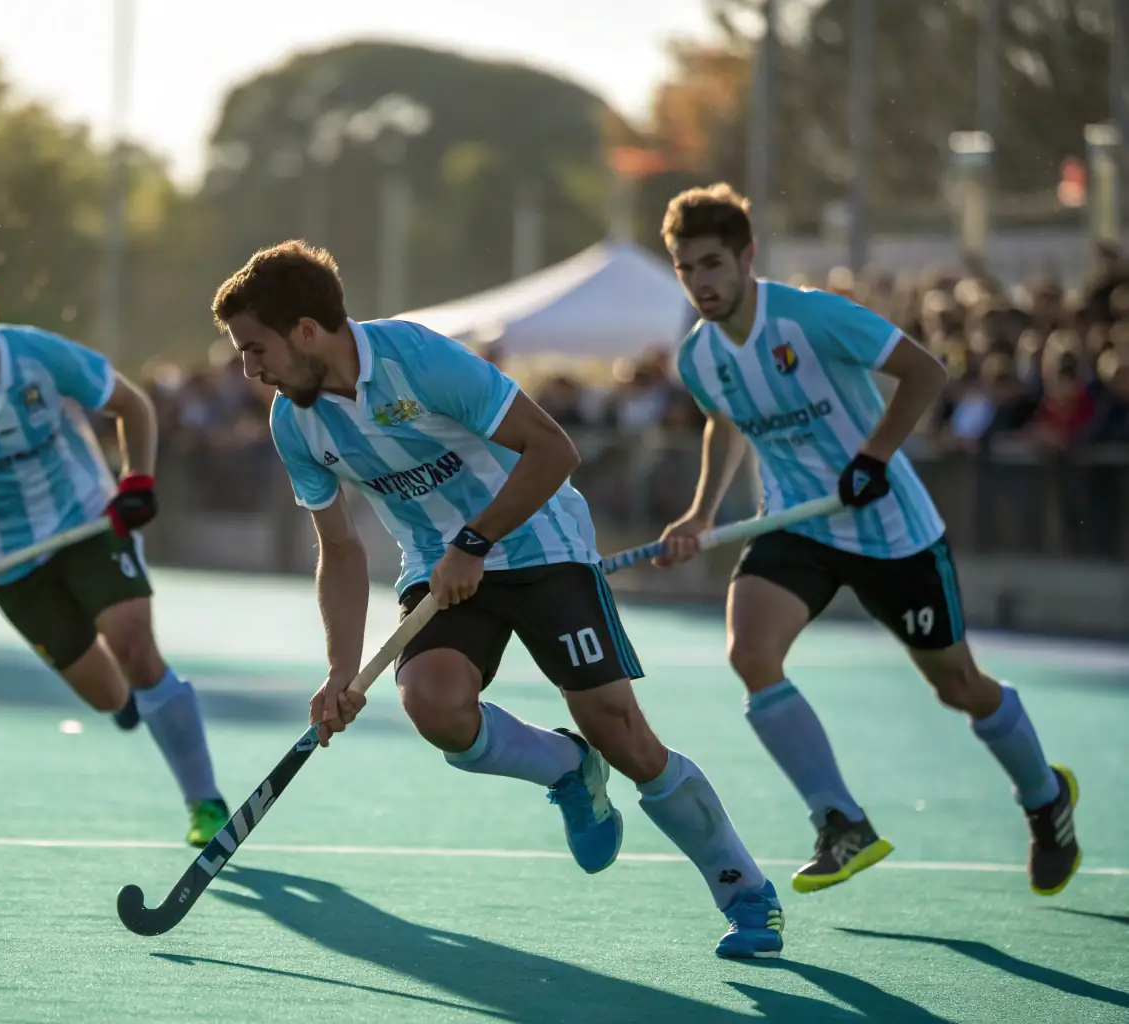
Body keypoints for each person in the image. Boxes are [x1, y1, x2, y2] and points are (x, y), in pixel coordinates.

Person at [211, 240, 784, 960]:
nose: (249, 370)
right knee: (433, 704)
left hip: (540, 542)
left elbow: (553, 450)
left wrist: (476, 540)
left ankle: (744, 891)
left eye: (255, 349)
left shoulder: (418, 359)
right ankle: (566, 768)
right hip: (437, 564)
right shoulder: (294, 422)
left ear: (304, 331)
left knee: (620, 731)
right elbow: (343, 549)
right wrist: (339, 670)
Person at [655, 184, 1079, 897]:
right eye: (684, 268)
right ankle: (839, 821)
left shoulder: (812, 317)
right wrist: (700, 514)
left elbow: (924, 372)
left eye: (711, 264)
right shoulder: (698, 356)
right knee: (750, 653)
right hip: (797, 522)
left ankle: (1045, 797)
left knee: (957, 685)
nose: (700, 282)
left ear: (746, 258)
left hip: (891, 529)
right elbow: (723, 423)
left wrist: (874, 456)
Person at [0, 262, 230, 847]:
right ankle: (135, 703)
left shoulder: (40, 356)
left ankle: (204, 802)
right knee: (108, 694)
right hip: (5, 564)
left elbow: (133, 405)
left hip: (87, 523)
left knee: (134, 645)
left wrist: (136, 481)